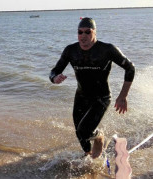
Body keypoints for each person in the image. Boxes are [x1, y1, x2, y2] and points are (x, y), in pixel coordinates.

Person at [49, 17, 135, 159]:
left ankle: (99, 136)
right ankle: (89, 158)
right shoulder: (71, 50)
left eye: (87, 32)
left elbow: (130, 68)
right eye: (80, 32)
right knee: (79, 133)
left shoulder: (107, 50)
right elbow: (54, 71)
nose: (83, 36)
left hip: (101, 97)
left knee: (85, 130)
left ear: (94, 32)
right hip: (81, 95)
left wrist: (123, 96)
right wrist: (55, 78)